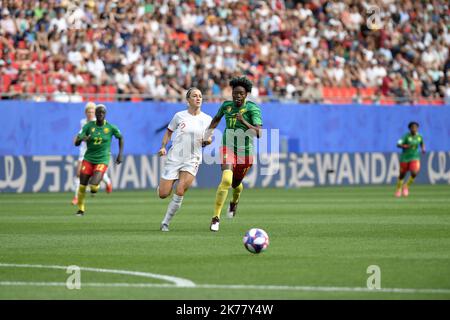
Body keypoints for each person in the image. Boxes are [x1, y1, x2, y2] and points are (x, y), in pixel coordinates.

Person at [205, 76, 263, 231]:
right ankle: (215, 218)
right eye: (235, 93)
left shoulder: (253, 109)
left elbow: (259, 133)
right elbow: (216, 120)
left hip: (245, 152)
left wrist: (243, 121)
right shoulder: (226, 106)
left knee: (236, 185)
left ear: (246, 95)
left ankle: (234, 201)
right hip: (227, 148)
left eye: (241, 93)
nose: (237, 96)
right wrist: (207, 136)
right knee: (226, 179)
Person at [158, 87, 212, 231]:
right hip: (175, 157)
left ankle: (165, 222)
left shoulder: (207, 119)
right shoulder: (179, 116)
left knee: (180, 189)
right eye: (194, 96)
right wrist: (163, 146)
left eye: (200, 96)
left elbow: (209, 138)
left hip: (192, 158)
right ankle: (164, 187)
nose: (198, 98)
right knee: (163, 194)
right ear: (188, 100)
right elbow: (169, 132)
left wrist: (207, 141)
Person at [74, 104, 124, 216]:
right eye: (98, 112)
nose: (100, 114)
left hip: (102, 159)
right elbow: (77, 142)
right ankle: (81, 209)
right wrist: (83, 139)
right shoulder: (88, 126)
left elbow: (120, 137)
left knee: (93, 186)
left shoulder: (111, 127)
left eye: (102, 113)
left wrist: (120, 154)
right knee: (82, 185)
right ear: (95, 114)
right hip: (88, 158)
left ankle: (95, 186)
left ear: (105, 114)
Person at [72, 102, 113, 205]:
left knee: (96, 173)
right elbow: (80, 135)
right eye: (88, 111)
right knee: (78, 174)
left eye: (92, 111)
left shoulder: (99, 123)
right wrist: (78, 138)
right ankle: (76, 197)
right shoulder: (83, 122)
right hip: (84, 151)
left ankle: (107, 182)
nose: (90, 113)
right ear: (85, 113)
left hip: (96, 152)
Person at [395, 121, 425, 197]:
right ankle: (399, 189)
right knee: (402, 175)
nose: (414, 129)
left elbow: (421, 142)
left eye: (416, 127)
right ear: (410, 129)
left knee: (414, 172)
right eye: (413, 127)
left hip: (414, 157)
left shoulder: (419, 136)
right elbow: (398, 144)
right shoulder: (405, 136)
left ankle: (406, 186)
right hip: (404, 158)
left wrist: (423, 148)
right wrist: (404, 146)